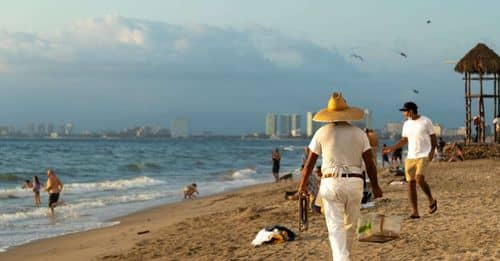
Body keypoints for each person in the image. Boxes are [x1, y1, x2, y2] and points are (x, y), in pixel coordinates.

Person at [298, 92, 383, 261]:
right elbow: (370, 163)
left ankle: (342, 258)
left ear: (329, 115)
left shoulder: (322, 132)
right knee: (350, 226)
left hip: (331, 182)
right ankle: (345, 257)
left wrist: (302, 186)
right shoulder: (359, 133)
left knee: (335, 227)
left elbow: (309, 165)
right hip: (354, 182)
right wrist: (375, 186)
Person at [382, 102, 437, 219]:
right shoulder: (406, 124)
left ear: (411, 111)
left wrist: (432, 151)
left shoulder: (426, 121)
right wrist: (392, 148)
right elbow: (404, 140)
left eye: (405, 111)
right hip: (411, 157)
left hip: (424, 154)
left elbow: (433, 137)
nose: (403, 113)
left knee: (419, 178)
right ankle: (415, 211)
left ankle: (431, 199)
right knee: (410, 184)